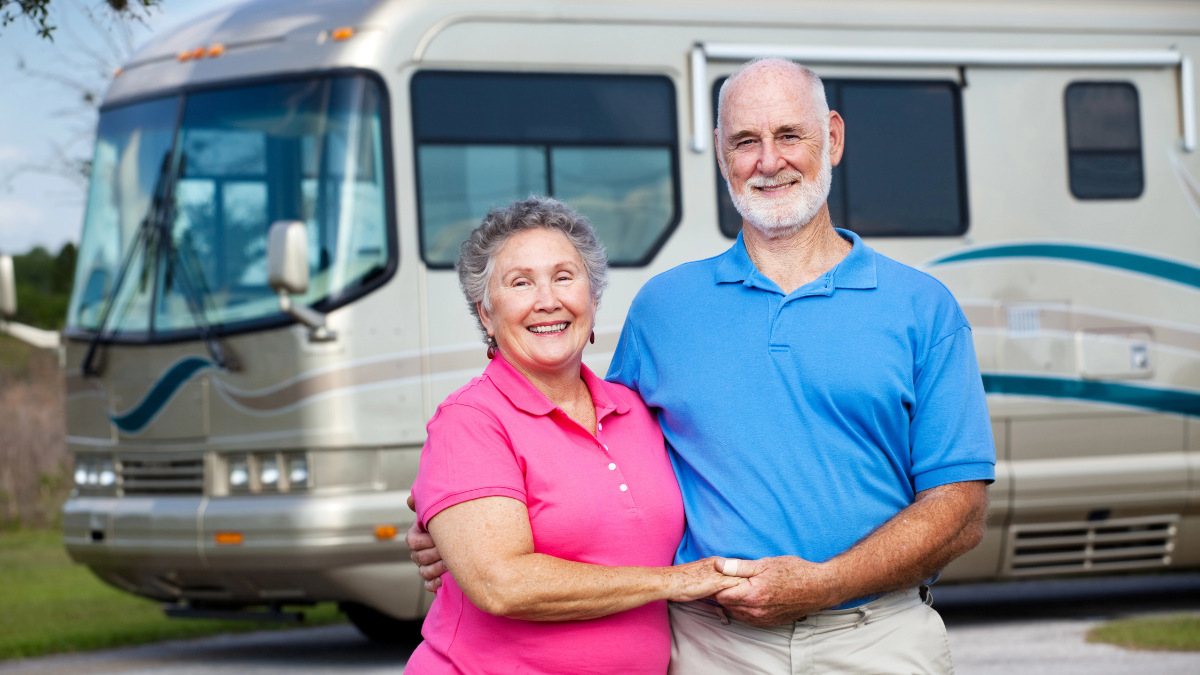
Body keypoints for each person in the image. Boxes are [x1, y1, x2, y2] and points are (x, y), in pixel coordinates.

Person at [410, 58, 996, 675]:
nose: (768, 161)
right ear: (721, 153)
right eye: (746, 141)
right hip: (710, 646)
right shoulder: (665, 308)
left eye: (789, 135)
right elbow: (580, 439)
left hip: (876, 638)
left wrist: (824, 583)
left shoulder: (922, 308)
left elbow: (959, 510)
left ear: (834, 137)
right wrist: (446, 515)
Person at [403, 196, 743, 675]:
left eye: (564, 277)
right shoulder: (470, 421)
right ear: (486, 314)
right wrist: (672, 582)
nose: (548, 300)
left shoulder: (638, 410)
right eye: (520, 283)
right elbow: (502, 583)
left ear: (593, 299)